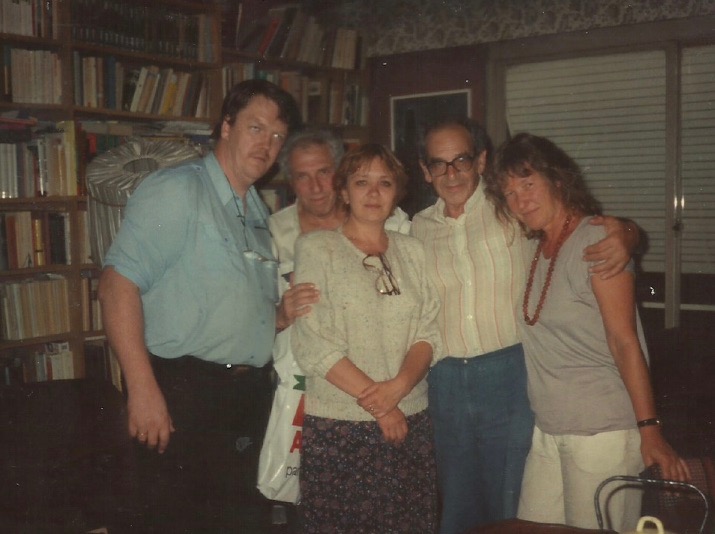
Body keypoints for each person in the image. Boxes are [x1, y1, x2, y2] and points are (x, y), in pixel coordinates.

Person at [411, 117, 639, 534]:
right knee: (458, 501)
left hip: (511, 373)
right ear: (426, 171)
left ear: (481, 161)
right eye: (439, 164)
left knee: (513, 500)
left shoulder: (511, 210)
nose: (451, 173)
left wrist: (626, 231)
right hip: (445, 380)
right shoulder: (416, 229)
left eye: (461, 160)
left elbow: (573, 223)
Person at [97, 79, 302, 532]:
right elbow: (116, 286)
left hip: (245, 397)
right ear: (226, 127)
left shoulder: (256, 209)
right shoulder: (178, 190)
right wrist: (142, 390)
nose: (266, 144)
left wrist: (277, 318)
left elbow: (227, 303)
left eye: (277, 136)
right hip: (185, 392)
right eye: (256, 128)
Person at [485, 132, 690, 530]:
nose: (520, 200)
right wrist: (631, 230)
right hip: (549, 429)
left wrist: (651, 430)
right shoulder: (536, 248)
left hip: (602, 432)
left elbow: (624, 341)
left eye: (528, 184)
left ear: (557, 180)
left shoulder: (596, 240)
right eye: (509, 193)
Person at [291, 143, 442, 533]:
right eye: (361, 182)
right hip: (341, 425)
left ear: (397, 193)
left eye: (384, 183)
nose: (373, 193)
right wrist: (383, 408)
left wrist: (399, 389)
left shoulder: (413, 251)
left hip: (410, 419)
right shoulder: (316, 248)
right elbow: (314, 343)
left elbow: (428, 332)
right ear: (344, 191)